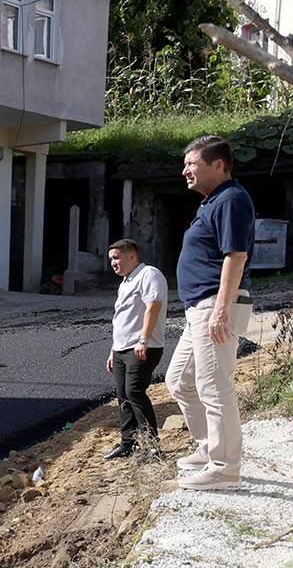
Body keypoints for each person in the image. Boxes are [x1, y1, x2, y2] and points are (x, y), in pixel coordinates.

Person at [167, 135, 255, 490]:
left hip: (215, 305)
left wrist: (221, 310)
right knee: (179, 381)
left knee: (215, 387)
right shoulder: (213, 201)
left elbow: (236, 256)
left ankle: (225, 467)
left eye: (192, 163)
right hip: (200, 308)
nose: (185, 170)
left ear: (218, 165)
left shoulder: (231, 199)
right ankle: (208, 447)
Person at [103, 239, 168, 462]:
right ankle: (128, 443)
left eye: (116, 258)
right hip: (122, 348)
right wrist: (113, 350)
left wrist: (143, 340)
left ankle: (153, 447)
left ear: (132, 255)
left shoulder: (149, 274)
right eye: (111, 259)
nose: (113, 263)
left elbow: (153, 307)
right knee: (123, 395)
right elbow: (122, 319)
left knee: (135, 392)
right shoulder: (125, 282)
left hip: (143, 346)